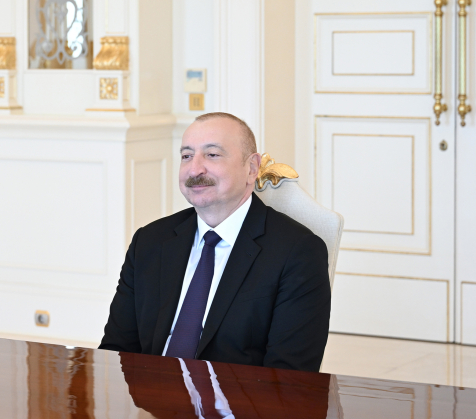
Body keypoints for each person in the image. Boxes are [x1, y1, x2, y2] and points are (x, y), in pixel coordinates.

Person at [99, 112, 331, 372]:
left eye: (212, 154)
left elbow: (289, 376)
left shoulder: (297, 253)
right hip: (149, 394)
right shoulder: (150, 241)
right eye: (187, 156)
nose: (194, 169)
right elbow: (116, 351)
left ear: (251, 168)